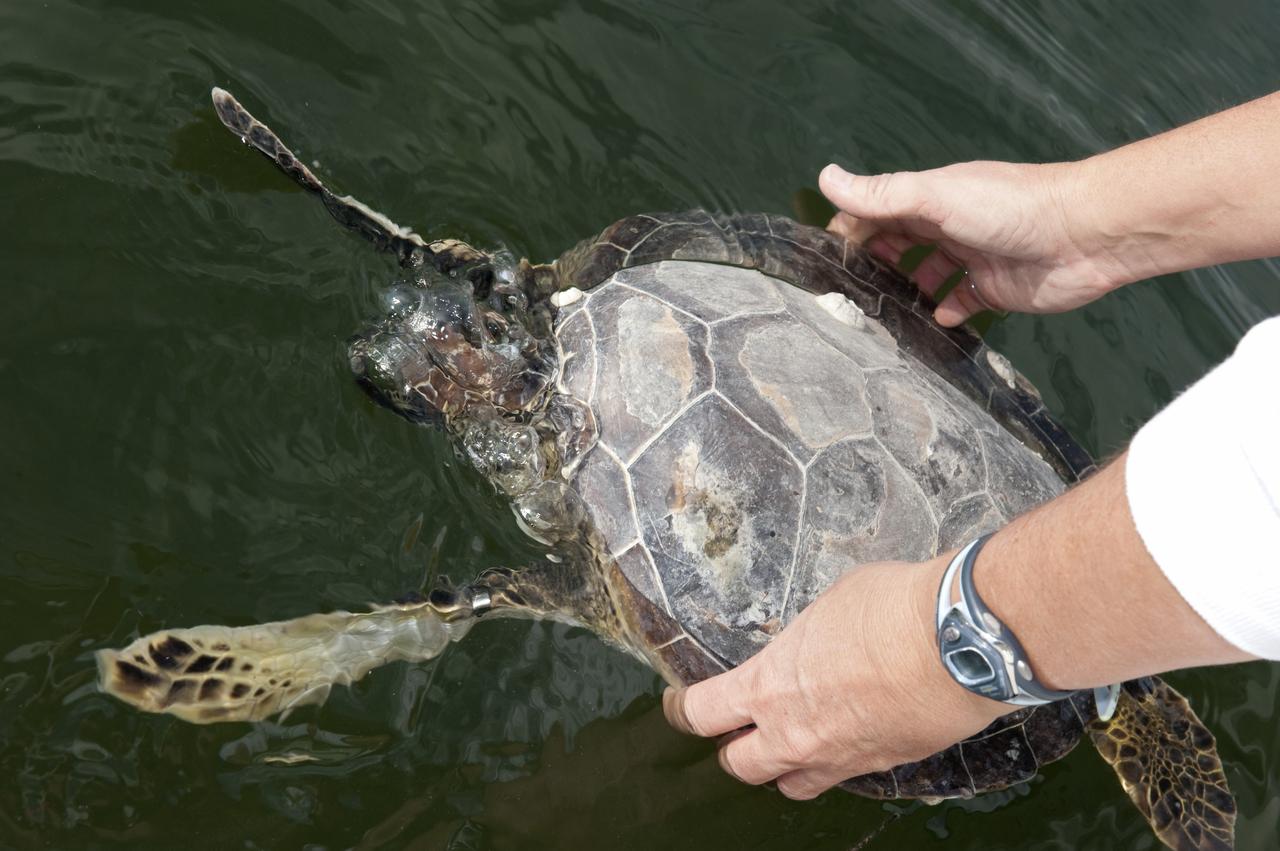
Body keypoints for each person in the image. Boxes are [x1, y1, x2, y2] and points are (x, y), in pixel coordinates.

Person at [662, 91, 1280, 802]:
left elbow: (1264, 494)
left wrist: (948, 650)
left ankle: (1121, 693)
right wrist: (1077, 218)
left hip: (1063, 596)